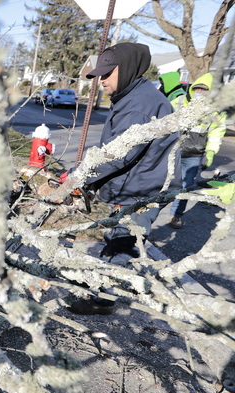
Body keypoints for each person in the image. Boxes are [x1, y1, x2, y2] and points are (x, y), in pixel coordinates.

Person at [71, 42, 180, 314]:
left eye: (108, 73)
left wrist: (81, 177)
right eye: (100, 74)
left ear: (128, 68)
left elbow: (119, 155)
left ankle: (103, 301)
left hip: (144, 188)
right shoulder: (134, 96)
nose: (102, 80)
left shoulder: (139, 106)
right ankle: (118, 283)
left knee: (123, 241)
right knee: (121, 236)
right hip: (140, 184)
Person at [166, 73, 227, 229]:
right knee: (164, 184)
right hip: (173, 151)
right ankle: (150, 211)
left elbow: (216, 133)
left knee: (185, 187)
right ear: (192, 89)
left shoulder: (216, 112)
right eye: (197, 88)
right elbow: (164, 120)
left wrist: (211, 152)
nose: (199, 92)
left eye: (204, 90)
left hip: (194, 155)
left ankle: (176, 215)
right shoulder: (179, 102)